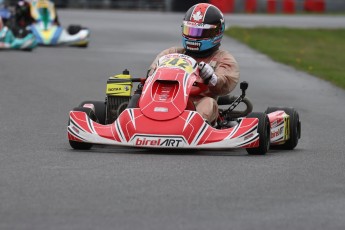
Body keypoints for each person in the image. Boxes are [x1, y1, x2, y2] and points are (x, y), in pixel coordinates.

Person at [148, 3, 240, 124]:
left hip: (196, 106)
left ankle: (192, 127)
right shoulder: (171, 53)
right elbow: (151, 75)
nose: (193, 37)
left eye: (200, 33)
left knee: (208, 102)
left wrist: (212, 78)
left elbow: (225, 83)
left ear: (217, 32)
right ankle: (129, 122)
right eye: (190, 31)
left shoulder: (223, 59)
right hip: (165, 100)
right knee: (137, 97)